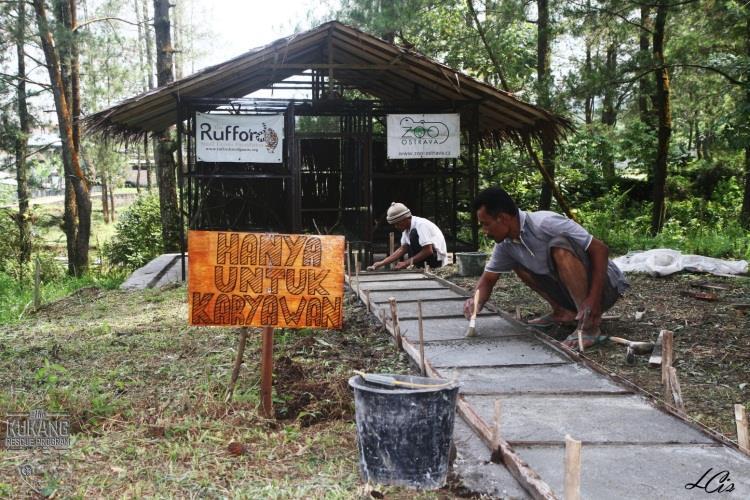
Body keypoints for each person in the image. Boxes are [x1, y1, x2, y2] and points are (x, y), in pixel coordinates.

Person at [463, 187, 629, 349]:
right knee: (517, 261)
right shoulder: (506, 245)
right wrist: (475, 302)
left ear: (503, 218)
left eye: (486, 224)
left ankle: (589, 326)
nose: (485, 231)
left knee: (560, 248)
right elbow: (488, 280)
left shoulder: (546, 222)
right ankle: (563, 312)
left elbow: (600, 249)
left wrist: (593, 300)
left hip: (604, 290)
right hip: (571, 295)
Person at [367, 202, 448, 271]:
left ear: (406, 218)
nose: (396, 226)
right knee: (408, 243)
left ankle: (423, 267)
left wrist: (406, 263)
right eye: (395, 224)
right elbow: (402, 249)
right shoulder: (407, 230)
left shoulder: (420, 225)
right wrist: (381, 263)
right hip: (427, 259)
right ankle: (419, 267)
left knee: (413, 234)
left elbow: (428, 250)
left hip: (436, 260)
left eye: (398, 223)